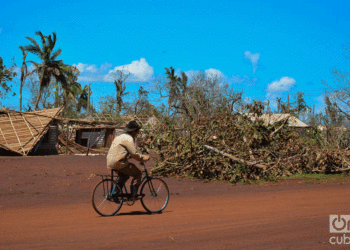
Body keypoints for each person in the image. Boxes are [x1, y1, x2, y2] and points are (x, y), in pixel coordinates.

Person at [107, 121, 150, 200]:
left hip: (110, 162)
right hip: (119, 163)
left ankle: (116, 193)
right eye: (137, 131)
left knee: (125, 175)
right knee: (138, 174)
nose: (138, 133)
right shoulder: (129, 139)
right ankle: (133, 195)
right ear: (133, 131)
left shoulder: (119, 137)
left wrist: (130, 156)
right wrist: (144, 158)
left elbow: (123, 152)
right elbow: (134, 154)